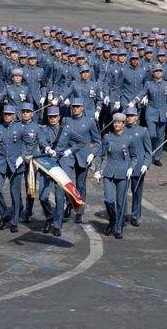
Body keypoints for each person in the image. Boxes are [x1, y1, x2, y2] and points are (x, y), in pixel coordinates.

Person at [0, 105, 32, 233]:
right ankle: (5, 215)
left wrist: (23, 156)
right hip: (1, 164)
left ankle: (14, 222)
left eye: (10, 114)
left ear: (15, 115)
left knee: (15, 196)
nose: (7, 116)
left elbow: (30, 144)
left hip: (16, 165)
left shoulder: (21, 127)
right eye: (5, 114)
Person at [38, 106, 85, 236]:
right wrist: (47, 149)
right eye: (50, 117)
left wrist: (70, 151)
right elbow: (41, 141)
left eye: (55, 116)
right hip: (47, 164)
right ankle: (49, 216)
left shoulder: (66, 130)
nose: (52, 119)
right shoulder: (43, 129)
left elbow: (82, 141)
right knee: (42, 196)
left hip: (62, 166)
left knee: (59, 197)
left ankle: (57, 225)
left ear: (59, 117)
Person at [94, 112, 137, 239]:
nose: (116, 124)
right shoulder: (107, 138)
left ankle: (118, 228)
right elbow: (101, 155)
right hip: (109, 172)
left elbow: (134, 157)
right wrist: (97, 170)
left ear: (124, 124)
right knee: (108, 200)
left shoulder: (129, 138)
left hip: (123, 174)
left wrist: (131, 168)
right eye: (115, 122)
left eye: (119, 122)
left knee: (120, 202)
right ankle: (112, 219)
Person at [65, 98, 101, 224]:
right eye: (73, 106)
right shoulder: (66, 120)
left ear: (82, 108)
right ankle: (69, 201)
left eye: (78, 106)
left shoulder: (89, 122)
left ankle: (79, 211)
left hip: (83, 156)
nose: (75, 108)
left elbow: (98, 141)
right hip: (68, 156)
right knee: (66, 182)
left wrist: (92, 153)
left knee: (81, 185)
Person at [124, 107, 151, 227]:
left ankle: (135, 215)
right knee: (122, 192)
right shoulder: (121, 130)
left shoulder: (143, 131)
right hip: (123, 165)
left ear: (136, 117)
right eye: (127, 115)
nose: (129, 117)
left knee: (136, 192)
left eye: (131, 115)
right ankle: (123, 214)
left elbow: (148, 151)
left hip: (138, 166)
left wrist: (146, 164)